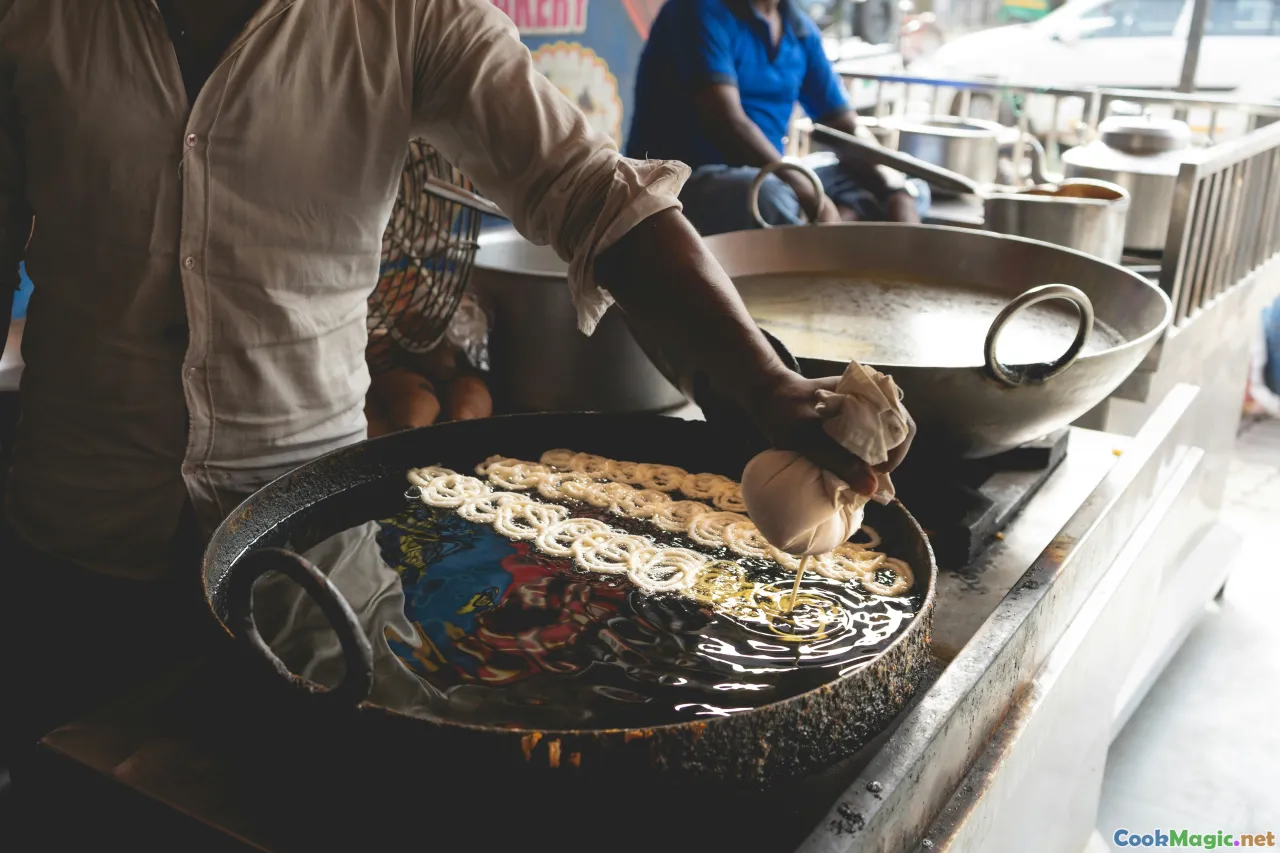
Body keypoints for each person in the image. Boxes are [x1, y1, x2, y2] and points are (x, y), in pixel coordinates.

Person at [0, 0, 914, 773]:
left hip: (310, 559)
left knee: (302, 804)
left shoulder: (405, 14)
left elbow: (595, 193)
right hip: (75, 537)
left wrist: (759, 381)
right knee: (65, 797)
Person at [625, 0, 930, 234]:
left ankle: (827, 229)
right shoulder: (697, 10)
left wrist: (895, 188)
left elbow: (844, 125)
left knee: (914, 185)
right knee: (767, 196)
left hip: (768, 172)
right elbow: (729, 124)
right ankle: (827, 242)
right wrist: (808, 191)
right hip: (681, 182)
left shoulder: (799, 29)